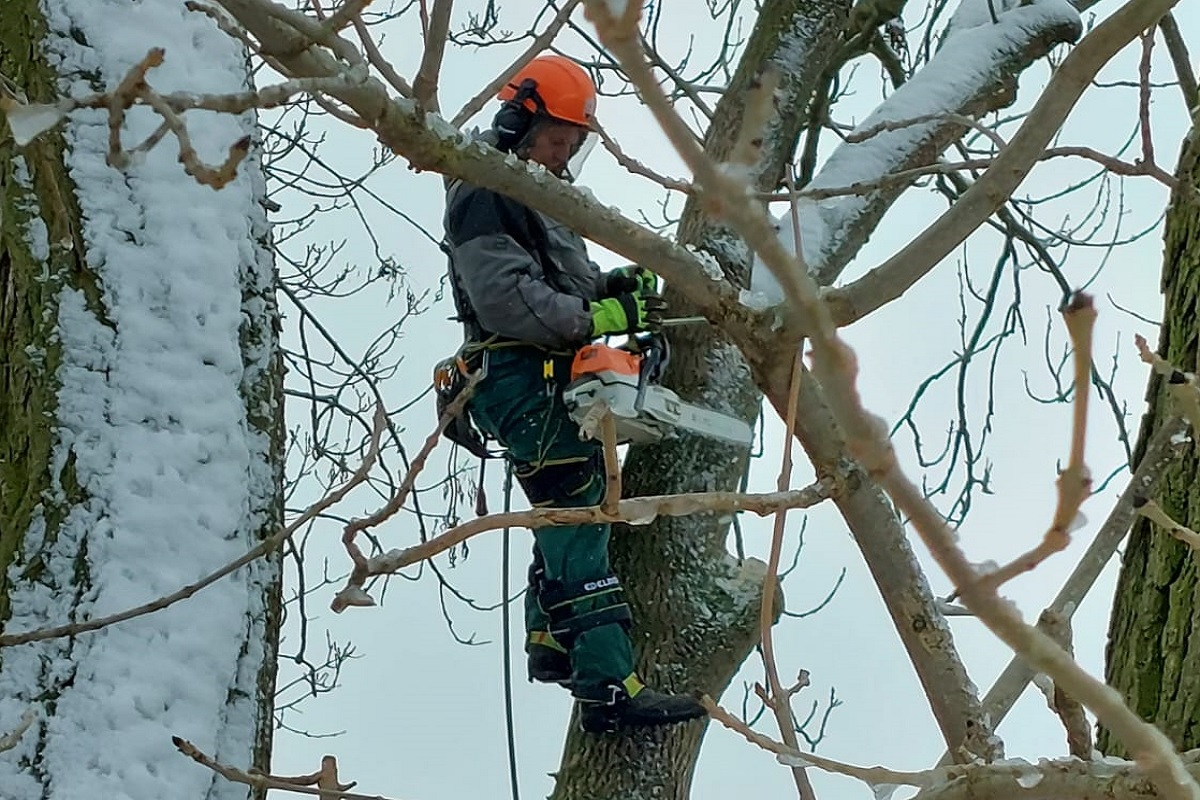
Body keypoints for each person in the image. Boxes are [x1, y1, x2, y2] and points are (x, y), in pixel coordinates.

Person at [441, 54, 706, 734]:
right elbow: (505, 299)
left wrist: (611, 292)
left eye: (572, 143)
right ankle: (608, 687)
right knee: (579, 517)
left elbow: (564, 283)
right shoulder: (486, 188)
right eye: (556, 139)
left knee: (573, 501)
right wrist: (595, 323)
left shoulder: (539, 197)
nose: (563, 154)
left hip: (540, 373)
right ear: (518, 120)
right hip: (515, 372)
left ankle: (552, 642)